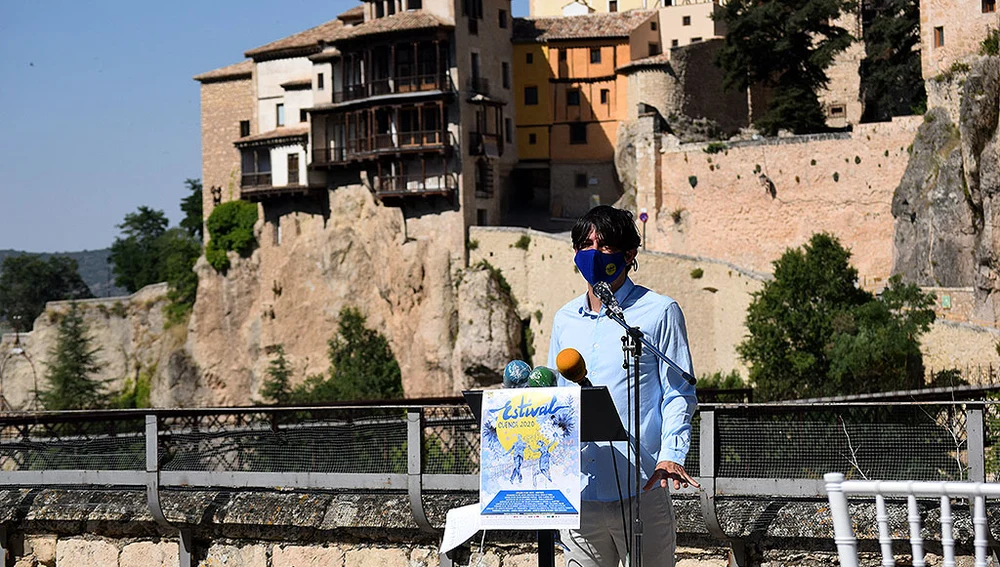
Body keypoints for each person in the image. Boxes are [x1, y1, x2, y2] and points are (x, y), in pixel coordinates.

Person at [547, 205, 699, 567]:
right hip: (582, 489)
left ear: (629, 254)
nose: (594, 254)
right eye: (586, 245)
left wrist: (672, 455)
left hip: (641, 485)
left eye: (604, 247)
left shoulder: (659, 311)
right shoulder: (564, 319)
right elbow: (557, 396)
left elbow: (678, 392)